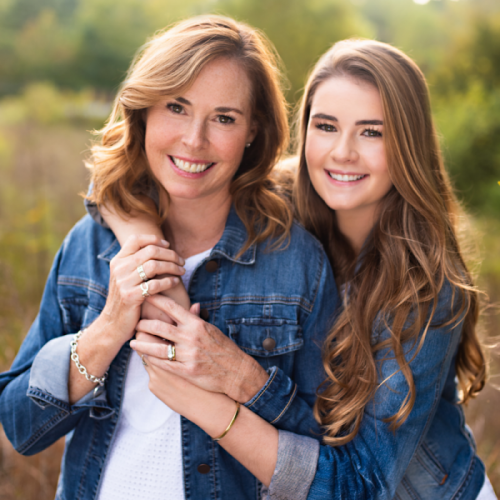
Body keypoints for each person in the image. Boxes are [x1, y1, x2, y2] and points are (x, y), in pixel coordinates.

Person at [120, 39, 495, 499]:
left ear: (407, 145)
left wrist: (234, 385)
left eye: (372, 132)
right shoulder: (277, 200)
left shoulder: (427, 288)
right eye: (326, 126)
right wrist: (146, 245)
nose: (342, 153)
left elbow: (362, 486)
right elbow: (125, 183)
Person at [0, 16, 337, 500]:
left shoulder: (296, 263)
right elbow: (20, 426)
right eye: (176, 107)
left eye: (224, 118)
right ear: (144, 112)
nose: (193, 140)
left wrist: (243, 378)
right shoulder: (90, 245)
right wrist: (109, 327)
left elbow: (331, 454)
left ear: (252, 132)